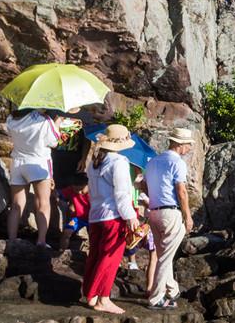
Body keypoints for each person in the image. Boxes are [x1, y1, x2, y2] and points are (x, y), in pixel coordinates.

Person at [82, 124, 139, 314]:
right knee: (110, 258)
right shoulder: (119, 161)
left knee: (95, 256)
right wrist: (130, 216)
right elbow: (122, 194)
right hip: (113, 216)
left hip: (95, 216)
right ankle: (103, 298)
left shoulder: (94, 162)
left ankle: (90, 295)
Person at [144, 128, 194, 309]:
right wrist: (187, 216)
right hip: (170, 213)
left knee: (164, 254)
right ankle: (156, 298)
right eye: (188, 144)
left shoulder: (152, 162)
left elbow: (143, 185)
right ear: (180, 145)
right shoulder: (177, 162)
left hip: (154, 212)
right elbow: (181, 192)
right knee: (165, 258)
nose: (189, 148)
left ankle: (172, 289)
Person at [6, 108, 63, 247]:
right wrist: (58, 123)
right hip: (38, 163)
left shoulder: (12, 118)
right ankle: (41, 241)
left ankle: (11, 239)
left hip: (18, 163)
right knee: (43, 203)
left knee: (15, 205)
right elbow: (54, 142)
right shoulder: (44, 120)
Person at [59, 173, 90, 250]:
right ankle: (62, 250)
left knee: (93, 237)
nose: (79, 192)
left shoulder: (94, 192)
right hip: (77, 218)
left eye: (81, 189)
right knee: (66, 232)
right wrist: (56, 195)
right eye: (76, 189)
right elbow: (60, 193)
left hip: (92, 219)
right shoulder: (70, 190)